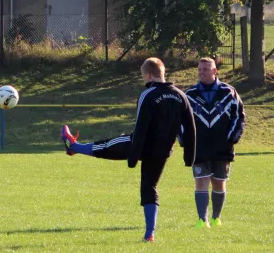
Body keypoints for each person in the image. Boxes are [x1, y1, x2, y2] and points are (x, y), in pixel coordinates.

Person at [61, 57, 196, 242]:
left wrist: (133, 156)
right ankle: (150, 234)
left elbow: (141, 126)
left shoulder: (148, 95)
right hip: (163, 151)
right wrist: (190, 157)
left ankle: (73, 146)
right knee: (150, 187)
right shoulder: (181, 95)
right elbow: (190, 128)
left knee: (106, 146)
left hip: (139, 144)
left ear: (148, 75)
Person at [185, 57, 245, 228]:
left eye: (205, 69)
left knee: (219, 182)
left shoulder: (229, 92)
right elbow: (180, 120)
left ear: (214, 71)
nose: (201, 72)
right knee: (201, 180)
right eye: (199, 69)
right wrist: (185, 140)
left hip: (222, 147)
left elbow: (239, 116)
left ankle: (216, 217)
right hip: (199, 147)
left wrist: (232, 138)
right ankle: (202, 220)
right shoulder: (190, 94)